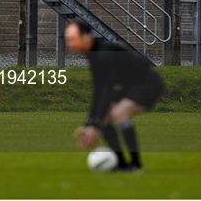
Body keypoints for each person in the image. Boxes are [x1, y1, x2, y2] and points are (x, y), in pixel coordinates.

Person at [65, 20, 163, 172]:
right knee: (104, 118)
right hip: (130, 85)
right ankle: (122, 164)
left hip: (148, 83)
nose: (69, 44)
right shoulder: (93, 54)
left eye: (72, 39)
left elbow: (106, 90)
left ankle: (136, 165)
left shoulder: (104, 53)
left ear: (85, 37)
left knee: (118, 112)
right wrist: (90, 123)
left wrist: (94, 125)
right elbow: (98, 91)